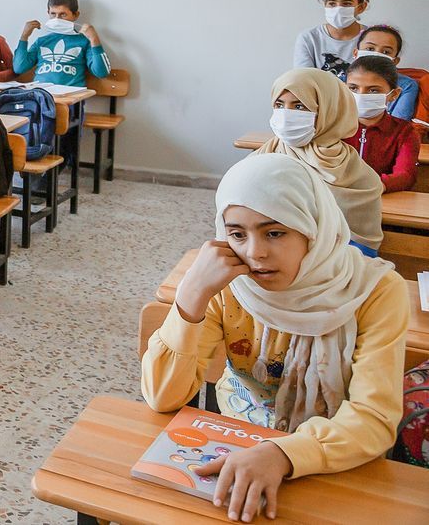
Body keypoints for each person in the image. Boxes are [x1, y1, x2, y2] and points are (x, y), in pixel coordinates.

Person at [142, 153, 407, 524]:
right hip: (235, 449)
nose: (255, 253)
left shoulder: (374, 291)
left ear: (313, 228)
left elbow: (373, 419)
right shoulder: (229, 284)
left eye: (275, 232)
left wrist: (283, 454)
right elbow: (162, 396)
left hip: (334, 459)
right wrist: (190, 297)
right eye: (237, 234)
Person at [259, 68, 384, 255]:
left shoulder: (361, 179)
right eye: (279, 105)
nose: (286, 115)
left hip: (337, 266)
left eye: (299, 106)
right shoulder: (262, 159)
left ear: (330, 110)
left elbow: (362, 252)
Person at [343, 55, 420, 192]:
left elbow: (405, 175)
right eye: (353, 88)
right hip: (335, 197)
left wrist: (369, 187)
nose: (361, 95)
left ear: (394, 94)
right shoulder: (332, 126)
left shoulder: (405, 131)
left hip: (379, 198)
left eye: (373, 90)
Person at [13, 0, 111, 88]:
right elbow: (19, 68)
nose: (57, 19)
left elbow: (102, 73)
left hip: (71, 94)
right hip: (41, 93)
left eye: (63, 14)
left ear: (75, 15)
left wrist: (94, 39)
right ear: (48, 12)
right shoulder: (41, 41)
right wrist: (24, 37)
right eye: (53, 14)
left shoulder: (83, 41)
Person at [293, 0, 368, 76]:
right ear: (325, 4)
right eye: (332, 3)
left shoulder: (372, 38)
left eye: (346, 4)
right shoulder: (309, 38)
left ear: (361, 7)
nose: (338, 9)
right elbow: (303, 78)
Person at [353, 24, 421, 122]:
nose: (376, 55)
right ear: (356, 53)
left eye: (386, 52)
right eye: (370, 49)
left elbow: (398, 123)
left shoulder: (406, 86)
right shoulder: (339, 81)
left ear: (395, 61)